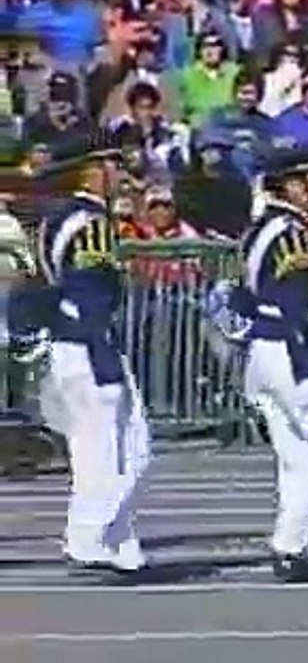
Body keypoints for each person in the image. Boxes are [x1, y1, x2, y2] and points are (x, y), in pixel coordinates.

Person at [12, 136, 150, 573]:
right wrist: (97, 341)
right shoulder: (90, 223)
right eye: (113, 164)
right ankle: (92, 536)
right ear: (92, 169)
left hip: (64, 342)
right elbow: (90, 290)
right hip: (87, 343)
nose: (121, 174)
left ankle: (118, 543)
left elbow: (33, 288)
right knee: (119, 446)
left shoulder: (54, 218)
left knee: (99, 446)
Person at [231, 150, 308, 582]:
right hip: (288, 347)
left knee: (300, 447)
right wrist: (307, 336)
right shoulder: (290, 234)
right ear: (289, 185)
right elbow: (296, 295)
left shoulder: (259, 228)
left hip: (262, 347)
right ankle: (292, 544)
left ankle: (294, 538)